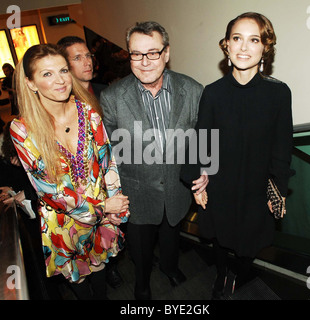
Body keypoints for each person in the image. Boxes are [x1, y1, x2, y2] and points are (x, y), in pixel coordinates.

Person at [181, 12, 293, 299]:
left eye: (253, 40)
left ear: (265, 48)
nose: (244, 47)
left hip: (257, 187)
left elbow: (282, 146)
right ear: (227, 46)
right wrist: (198, 180)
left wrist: (277, 188)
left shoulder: (279, 94)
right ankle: (222, 273)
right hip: (221, 184)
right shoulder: (213, 93)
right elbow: (201, 141)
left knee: (251, 242)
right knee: (220, 237)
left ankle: (238, 271)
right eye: (237, 39)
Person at [10, 44, 129, 300]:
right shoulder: (22, 129)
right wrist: (103, 206)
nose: (60, 80)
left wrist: (118, 207)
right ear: (31, 83)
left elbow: (108, 163)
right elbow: (50, 191)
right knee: (80, 283)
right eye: (47, 74)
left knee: (100, 275)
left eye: (63, 70)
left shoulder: (87, 111)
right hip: (64, 223)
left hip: (102, 215)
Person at [100, 21, 208, 300]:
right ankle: (142, 285)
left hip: (177, 190)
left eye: (153, 53)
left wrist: (206, 171)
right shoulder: (112, 97)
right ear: (128, 55)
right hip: (136, 195)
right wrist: (110, 196)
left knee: (172, 236)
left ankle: (170, 268)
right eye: (136, 54)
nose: (144, 62)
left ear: (167, 53)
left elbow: (204, 136)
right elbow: (109, 154)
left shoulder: (193, 90)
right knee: (141, 251)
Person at [57, 35, 124, 289]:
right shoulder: (61, 103)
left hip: (113, 176)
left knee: (112, 236)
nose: (87, 62)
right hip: (82, 193)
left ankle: (113, 267)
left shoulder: (105, 90)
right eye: (77, 57)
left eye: (88, 56)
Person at [57, 36, 108, 101]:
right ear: (64, 64)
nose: (88, 63)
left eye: (88, 56)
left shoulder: (106, 92)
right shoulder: (63, 101)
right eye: (77, 58)